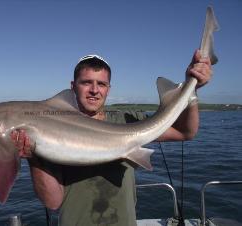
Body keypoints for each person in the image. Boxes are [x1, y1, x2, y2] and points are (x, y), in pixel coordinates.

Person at [11, 51, 212, 226]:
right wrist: (32, 157)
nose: (94, 90)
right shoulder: (49, 129)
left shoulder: (127, 120)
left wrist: (191, 90)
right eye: (86, 82)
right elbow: (53, 201)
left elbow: (186, 132)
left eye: (101, 84)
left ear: (109, 88)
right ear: (73, 86)